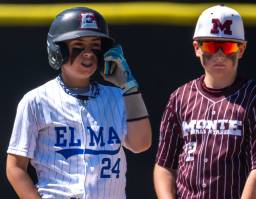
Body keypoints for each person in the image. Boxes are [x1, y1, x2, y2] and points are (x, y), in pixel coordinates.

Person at [6, 7, 152, 199]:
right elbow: (15, 167)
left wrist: (129, 87)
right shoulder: (36, 100)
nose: (89, 53)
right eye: (78, 45)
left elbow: (140, 144)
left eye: (95, 46)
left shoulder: (118, 96)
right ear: (57, 50)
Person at [154, 4, 256, 199]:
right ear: (197, 48)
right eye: (212, 46)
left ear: (241, 49)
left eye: (229, 45)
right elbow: (164, 165)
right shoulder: (179, 97)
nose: (220, 55)